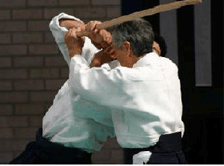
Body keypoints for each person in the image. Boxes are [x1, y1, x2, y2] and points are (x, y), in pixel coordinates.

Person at [66, 18, 187, 164]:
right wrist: (104, 41)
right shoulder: (168, 66)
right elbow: (131, 65)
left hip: (152, 159)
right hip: (175, 155)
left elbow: (82, 80)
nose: (115, 55)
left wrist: (75, 52)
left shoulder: (130, 79)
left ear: (127, 47)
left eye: (117, 50)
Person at [9, 13, 116, 164]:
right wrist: (90, 30)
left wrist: (94, 61)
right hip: (40, 147)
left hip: (71, 156)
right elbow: (58, 24)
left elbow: (86, 98)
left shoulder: (128, 81)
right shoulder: (99, 54)